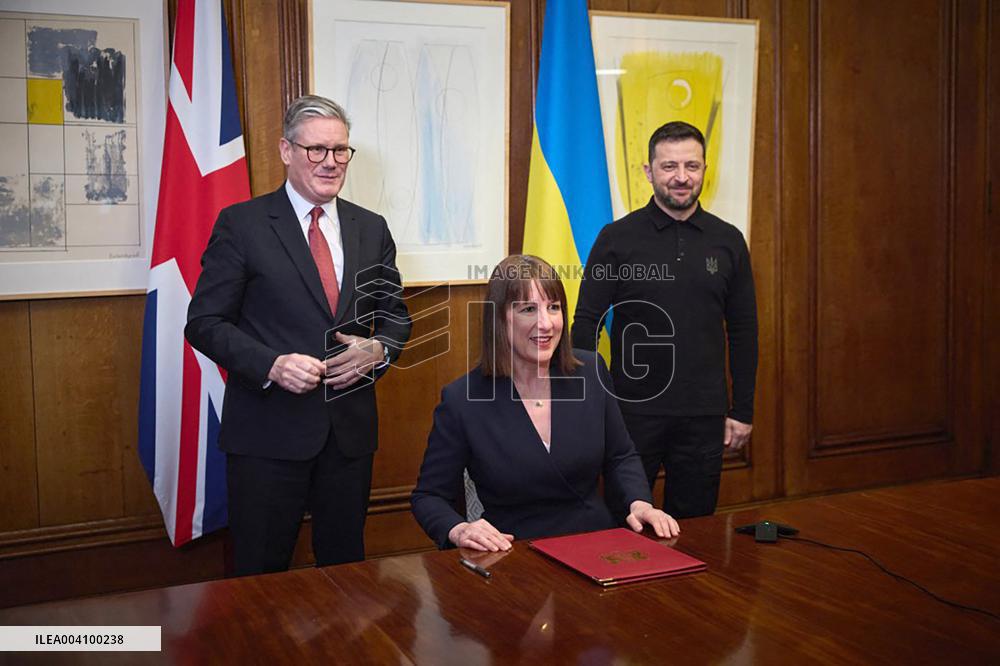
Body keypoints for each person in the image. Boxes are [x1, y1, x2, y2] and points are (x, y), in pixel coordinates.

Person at [185, 95, 411, 575]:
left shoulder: (371, 228)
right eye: (316, 150)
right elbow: (204, 322)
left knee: (346, 574)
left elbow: (396, 316)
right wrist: (271, 364)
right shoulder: (242, 225)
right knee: (258, 576)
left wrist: (379, 349)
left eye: (340, 151)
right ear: (286, 151)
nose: (330, 162)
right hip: (268, 434)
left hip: (348, 435)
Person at [411, 255, 679, 551]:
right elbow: (429, 496)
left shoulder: (590, 371)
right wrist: (459, 529)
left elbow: (621, 455)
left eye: (553, 308)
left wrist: (639, 502)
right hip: (511, 554)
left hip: (595, 545)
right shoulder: (462, 399)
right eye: (528, 309)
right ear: (499, 318)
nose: (546, 323)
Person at [572, 121, 758, 519]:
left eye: (691, 166)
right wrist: (587, 405)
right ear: (649, 171)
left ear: (705, 169)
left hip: (704, 415)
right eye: (669, 166)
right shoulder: (616, 238)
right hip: (631, 414)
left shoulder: (728, 241)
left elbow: (744, 331)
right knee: (626, 528)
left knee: (695, 531)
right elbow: (585, 324)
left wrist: (742, 410)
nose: (681, 177)